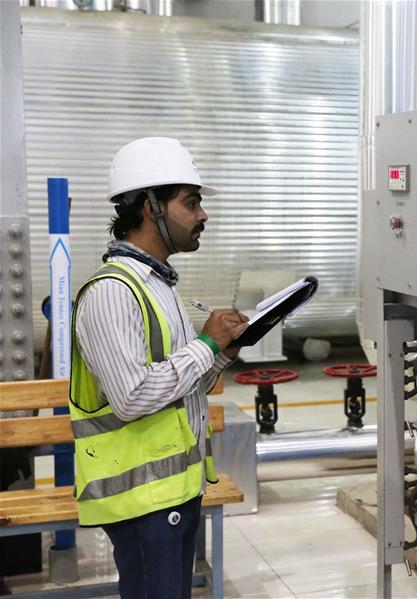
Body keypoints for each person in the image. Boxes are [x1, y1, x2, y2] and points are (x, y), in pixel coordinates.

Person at [69, 137, 248, 599]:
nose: (203, 216)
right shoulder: (112, 291)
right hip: (142, 500)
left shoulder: (159, 286)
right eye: (191, 203)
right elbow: (132, 398)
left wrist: (224, 350)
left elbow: (182, 384)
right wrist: (206, 343)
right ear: (151, 208)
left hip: (174, 490)